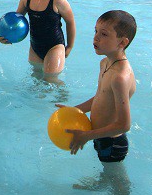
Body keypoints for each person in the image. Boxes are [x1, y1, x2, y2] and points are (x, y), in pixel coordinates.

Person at [56, 10, 137, 162]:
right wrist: (75, 110)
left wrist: (86, 136)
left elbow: (124, 125)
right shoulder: (105, 63)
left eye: (104, 34)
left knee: (112, 175)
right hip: (99, 136)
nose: (96, 37)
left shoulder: (120, 78)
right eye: (96, 31)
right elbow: (101, 97)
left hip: (113, 143)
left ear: (122, 43)